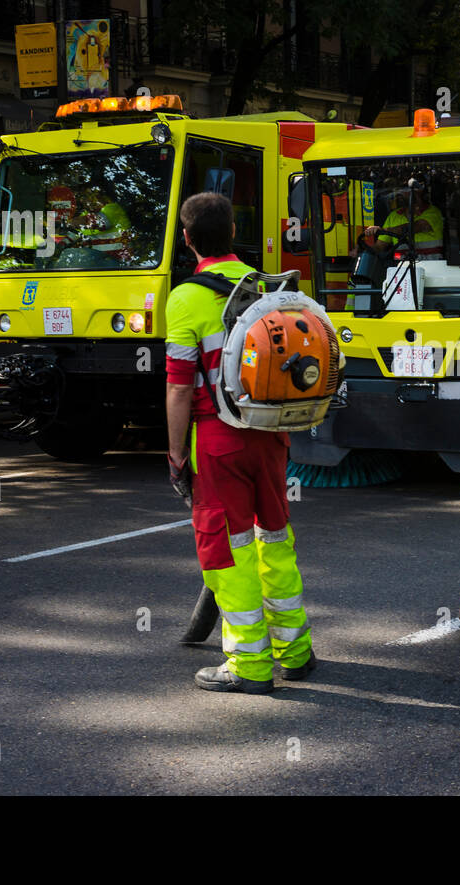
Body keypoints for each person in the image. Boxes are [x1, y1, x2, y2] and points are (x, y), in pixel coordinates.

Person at [164, 192, 316, 695]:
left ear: (187, 240)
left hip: (218, 440)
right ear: (233, 233)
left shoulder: (186, 297)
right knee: (275, 538)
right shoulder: (268, 286)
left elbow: (179, 385)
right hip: (271, 433)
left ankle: (249, 667)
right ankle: (295, 653)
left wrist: (176, 455)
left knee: (226, 550)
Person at [365, 183, 444, 259]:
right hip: (401, 268)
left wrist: (381, 230)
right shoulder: (394, 215)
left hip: (432, 264)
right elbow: (380, 246)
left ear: (417, 194)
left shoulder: (433, 212)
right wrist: (363, 251)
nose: (398, 195)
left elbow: (412, 228)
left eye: (403, 191)